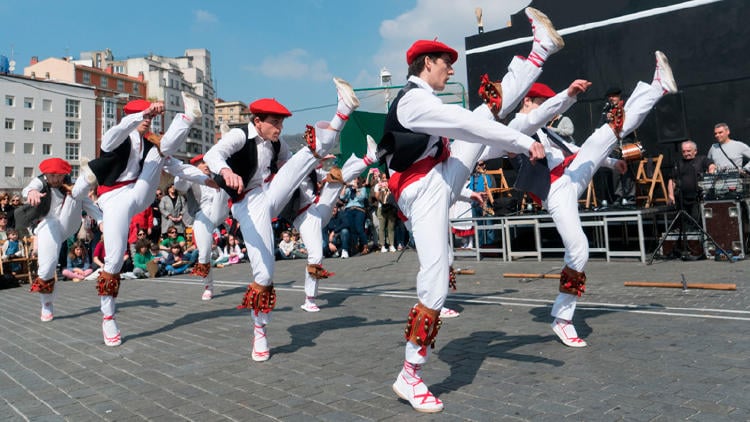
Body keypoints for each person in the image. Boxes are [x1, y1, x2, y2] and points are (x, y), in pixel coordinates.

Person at [380, 7, 560, 412]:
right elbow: (464, 124)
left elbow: (471, 122)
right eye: (446, 64)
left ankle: (539, 51)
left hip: (438, 177)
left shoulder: (421, 98)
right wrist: (518, 141)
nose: (449, 71)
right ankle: (409, 376)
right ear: (427, 63)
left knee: (485, 111)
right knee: (435, 285)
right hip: (422, 189)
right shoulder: (412, 102)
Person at [502, 52, 678, 349]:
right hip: (555, 189)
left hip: (570, 175)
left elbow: (575, 146)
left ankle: (657, 86)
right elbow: (513, 145)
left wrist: (611, 163)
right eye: (543, 104)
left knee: (608, 131)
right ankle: (562, 318)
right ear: (528, 102)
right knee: (579, 249)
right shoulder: (518, 125)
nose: (550, 111)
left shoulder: (545, 129)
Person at [203, 76, 358, 362]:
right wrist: (226, 172)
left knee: (308, 152)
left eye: (282, 124)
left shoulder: (275, 144)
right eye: (276, 123)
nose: (280, 129)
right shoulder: (239, 136)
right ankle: (259, 332)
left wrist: (311, 165)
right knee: (264, 275)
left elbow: (288, 165)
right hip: (246, 204)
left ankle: (341, 113)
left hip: (268, 193)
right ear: (258, 120)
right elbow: (214, 154)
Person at [70, 93, 212, 346]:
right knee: (113, 259)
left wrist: (207, 179)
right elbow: (118, 130)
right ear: (132, 116)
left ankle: (188, 116)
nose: (148, 122)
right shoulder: (116, 140)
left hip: (139, 193)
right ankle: (108, 317)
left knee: (162, 151)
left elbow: (178, 168)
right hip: (114, 198)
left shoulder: (148, 145)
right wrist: (142, 114)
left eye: (149, 117)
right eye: (143, 117)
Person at [294, 136, 378, 312]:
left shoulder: (314, 172)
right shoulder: (293, 170)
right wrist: (319, 157)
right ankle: (309, 299)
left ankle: (369, 158)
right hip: (304, 216)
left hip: (317, 209)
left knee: (336, 178)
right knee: (316, 256)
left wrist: (324, 164)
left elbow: (336, 176)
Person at [21, 158, 102, 322]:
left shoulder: (70, 186)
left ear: (65, 174)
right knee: (46, 270)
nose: (57, 180)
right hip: (47, 227)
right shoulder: (39, 182)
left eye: (60, 176)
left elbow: (88, 203)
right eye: (53, 176)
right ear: (46, 174)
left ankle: (86, 176)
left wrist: (101, 221)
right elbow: (29, 188)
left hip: (67, 223)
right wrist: (31, 193)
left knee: (76, 194)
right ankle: (47, 304)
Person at [175, 154, 231, 301]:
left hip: (219, 210)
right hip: (202, 215)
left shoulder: (217, 176)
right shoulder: (191, 181)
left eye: (207, 163)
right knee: (204, 253)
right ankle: (208, 287)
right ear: (195, 167)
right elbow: (179, 186)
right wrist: (181, 172)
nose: (206, 165)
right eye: (202, 163)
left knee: (221, 189)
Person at [668, 140, 716, 228]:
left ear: (695, 151)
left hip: (697, 199)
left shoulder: (701, 159)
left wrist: (711, 170)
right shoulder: (679, 163)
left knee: (696, 222)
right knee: (684, 224)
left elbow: (711, 165)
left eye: (688, 151)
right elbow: (672, 180)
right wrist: (671, 195)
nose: (686, 153)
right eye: (684, 151)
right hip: (682, 200)